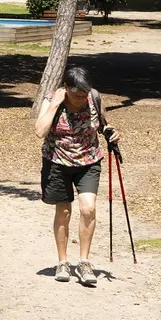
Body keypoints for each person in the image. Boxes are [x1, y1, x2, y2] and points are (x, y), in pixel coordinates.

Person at [34, 64, 120, 287]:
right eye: (76, 95)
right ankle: (63, 262)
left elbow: (102, 124)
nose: (81, 99)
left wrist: (111, 132)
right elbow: (40, 131)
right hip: (57, 162)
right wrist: (55, 104)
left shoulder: (94, 97)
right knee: (63, 211)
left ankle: (84, 262)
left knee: (88, 209)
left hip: (88, 161)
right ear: (65, 88)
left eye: (84, 94)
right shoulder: (52, 99)